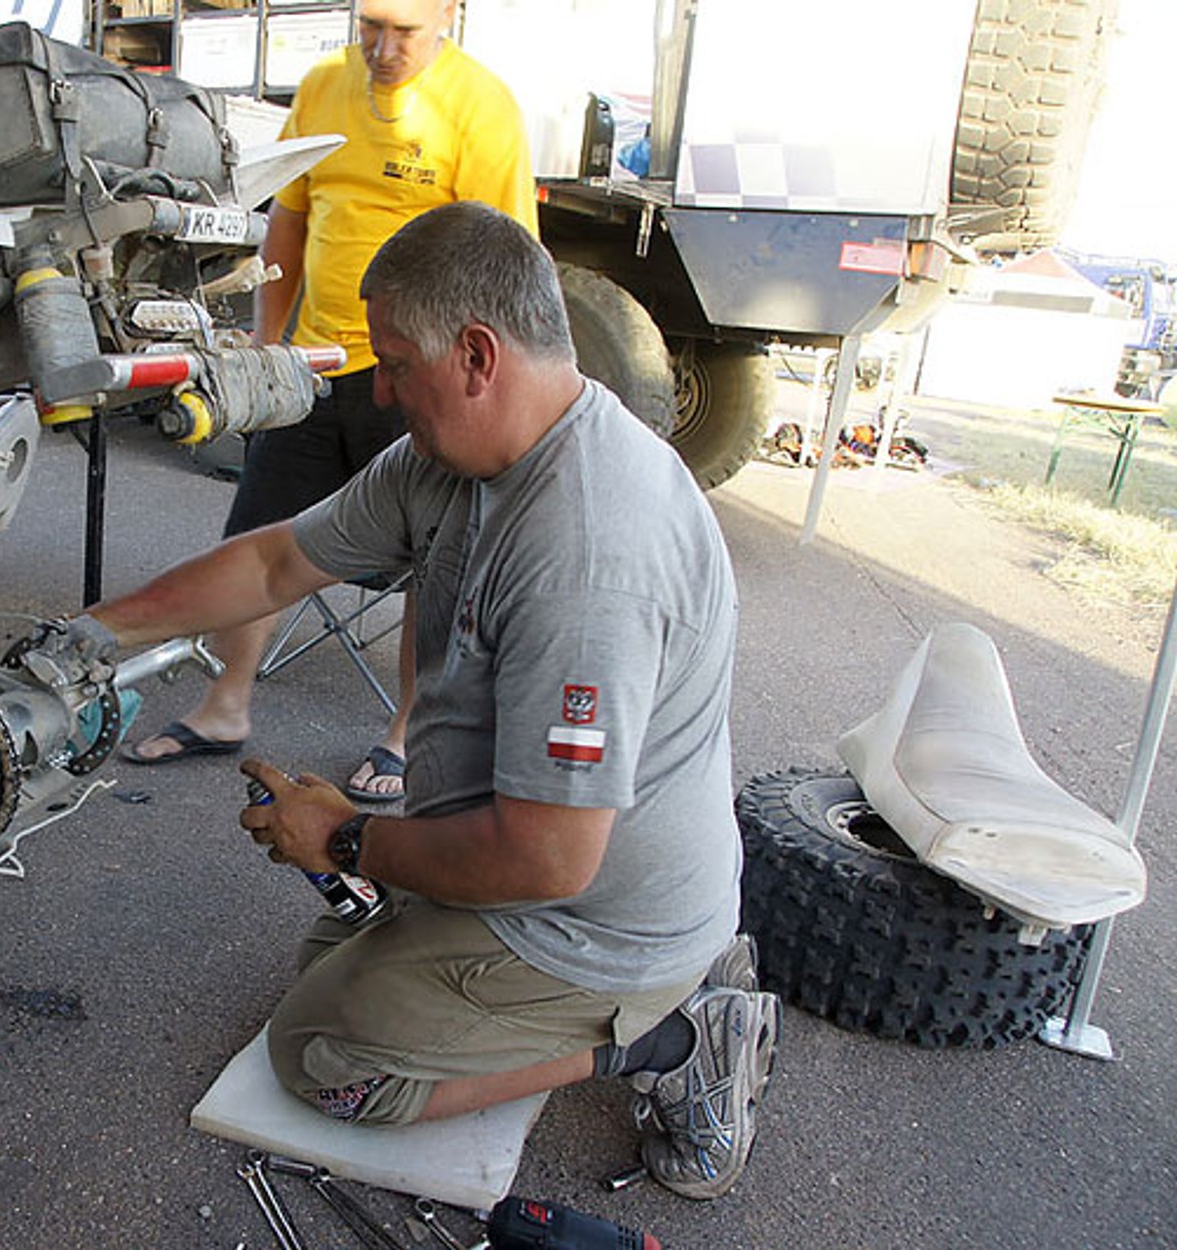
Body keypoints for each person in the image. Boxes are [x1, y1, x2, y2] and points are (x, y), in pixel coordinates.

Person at [64, 203, 779, 1199]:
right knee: (334, 950)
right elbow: (277, 558)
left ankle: (671, 1035)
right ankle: (487, 964)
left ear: (477, 354)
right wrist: (89, 637)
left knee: (322, 1054)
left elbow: (546, 857)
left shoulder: (587, 552)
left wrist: (348, 837)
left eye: (397, 362)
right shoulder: (459, 461)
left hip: (590, 921)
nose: (383, 391)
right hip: (526, 858)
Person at [120, 0, 537, 807]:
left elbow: (503, 262)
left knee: (435, 561)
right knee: (261, 531)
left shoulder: (482, 107)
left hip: (419, 370)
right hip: (313, 361)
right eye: (369, 26)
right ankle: (224, 705)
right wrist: (267, 340)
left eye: (402, 32)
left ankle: (407, 730)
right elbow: (292, 216)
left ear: (448, 15)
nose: (381, 49)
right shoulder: (322, 85)